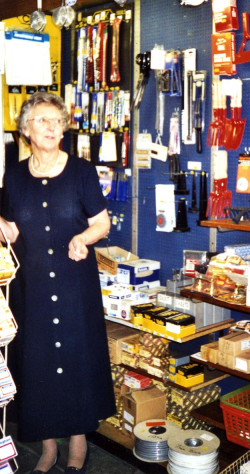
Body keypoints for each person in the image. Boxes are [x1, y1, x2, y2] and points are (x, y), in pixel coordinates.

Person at [0, 92, 116, 474]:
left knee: (77, 360)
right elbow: (12, 232)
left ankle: (79, 440)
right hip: (29, 289)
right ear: (26, 130)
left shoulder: (82, 171)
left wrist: (84, 238)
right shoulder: (14, 175)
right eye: (42, 121)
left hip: (73, 285)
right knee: (39, 367)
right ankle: (48, 446)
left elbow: (102, 222)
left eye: (57, 121)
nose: (51, 127)